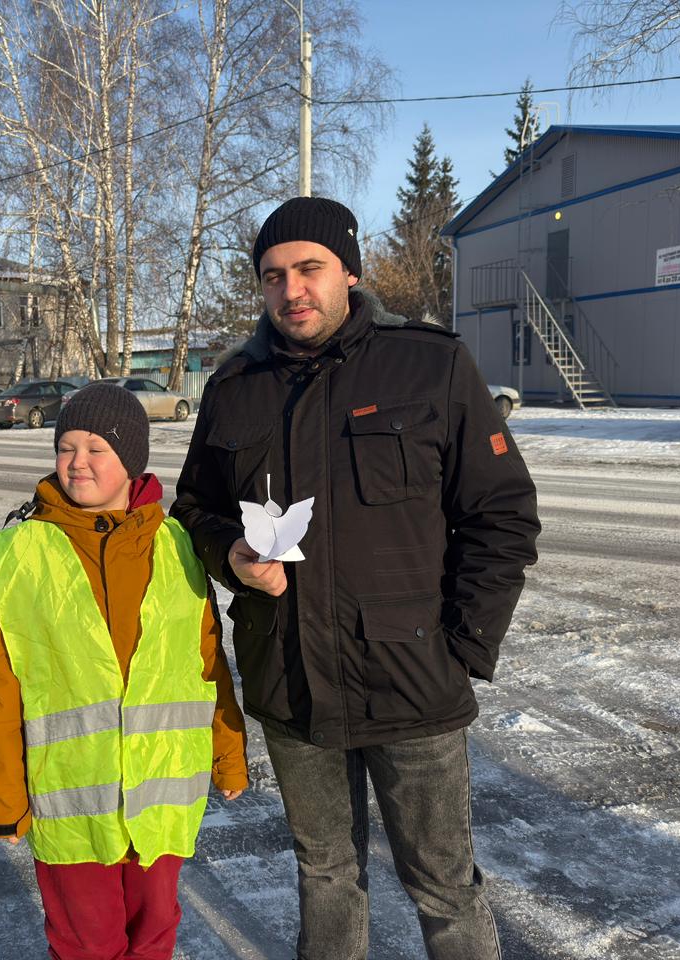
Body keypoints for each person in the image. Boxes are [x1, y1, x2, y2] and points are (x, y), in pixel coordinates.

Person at [171, 197, 540, 960]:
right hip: (290, 682)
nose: (291, 290)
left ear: (349, 272)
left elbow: (501, 515)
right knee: (326, 874)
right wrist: (231, 557)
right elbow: (196, 509)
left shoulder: (431, 365)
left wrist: (463, 647)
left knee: (442, 884)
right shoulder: (235, 385)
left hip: (412, 681)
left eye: (309, 269)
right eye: (272, 276)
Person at [0, 382, 249, 960]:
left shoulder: (176, 544)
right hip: (70, 799)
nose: (78, 462)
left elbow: (205, 662)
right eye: (66, 447)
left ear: (132, 460)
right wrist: (2, 800)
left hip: (160, 792)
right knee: (85, 942)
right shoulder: (19, 553)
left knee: (154, 933)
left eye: (96, 448)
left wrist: (228, 755)